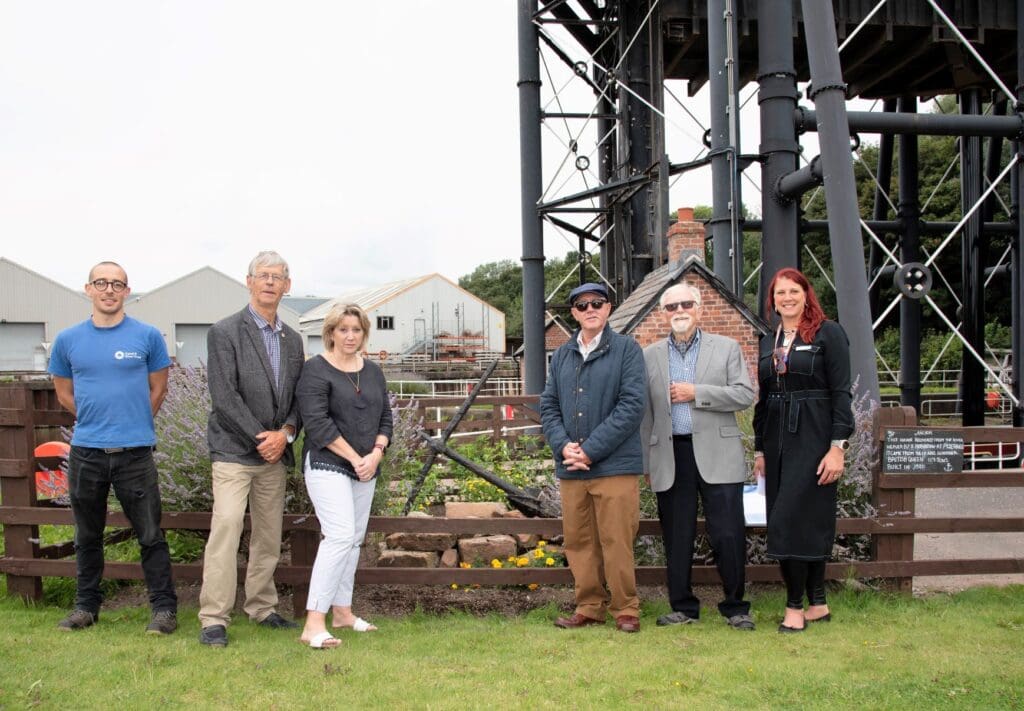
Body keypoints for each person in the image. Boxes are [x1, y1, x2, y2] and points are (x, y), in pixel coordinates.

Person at [49, 261, 177, 635]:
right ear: (88, 289)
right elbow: (64, 393)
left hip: (135, 454)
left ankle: (164, 610)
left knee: (151, 534)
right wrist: (95, 419)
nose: (109, 290)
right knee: (87, 535)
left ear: (127, 291)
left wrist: (133, 421)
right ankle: (86, 608)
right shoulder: (68, 340)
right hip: (86, 453)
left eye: (117, 284)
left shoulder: (148, 337)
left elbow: (159, 389)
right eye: (101, 283)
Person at [198, 251, 305, 647]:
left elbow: (299, 396)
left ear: (287, 286)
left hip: (275, 454)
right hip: (233, 451)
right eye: (263, 275)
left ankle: (262, 607)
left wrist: (287, 432)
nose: (270, 283)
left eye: (278, 277)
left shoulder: (293, 340)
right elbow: (224, 395)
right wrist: (263, 438)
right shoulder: (224, 332)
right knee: (226, 527)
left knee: (268, 536)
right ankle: (214, 618)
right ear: (249, 281)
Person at [640, 283, 756, 631]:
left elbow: (744, 394)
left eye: (686, 304)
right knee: (677, 535)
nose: (679, 310)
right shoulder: (649, 355)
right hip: (671, 454)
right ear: (663, 314)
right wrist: (647, 462)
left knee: (728, 535)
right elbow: (645, 413)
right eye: (671, 306)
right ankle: (683, 608)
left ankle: (736, 608)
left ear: (700, 308)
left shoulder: (727, 348)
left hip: (719, 454)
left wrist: (696, 393)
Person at [540, 282, 647, 633]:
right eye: (582, 305)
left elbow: (631, 407)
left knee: (616, 539)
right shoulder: (562, 355)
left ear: (609, 308)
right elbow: (549, 406)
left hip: (614, 466)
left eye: (597, 303)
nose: (590, 309)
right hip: (572, 468)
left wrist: (590, 449)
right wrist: (563, 445)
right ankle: (589, 606)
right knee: (579, 540)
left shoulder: (628, 350)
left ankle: (625, 608)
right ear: (573, 313)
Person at [752, 268, 854, 633]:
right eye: (780, 293)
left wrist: (837, 448)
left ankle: (794, 607)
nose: (787, 298)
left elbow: (842, 394)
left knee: (795, 520)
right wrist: (760, 449)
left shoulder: (829, 333)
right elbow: (763, 400)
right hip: (777, 438)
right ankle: (819, 603)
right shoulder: (768, 339)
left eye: (794, 291)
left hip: (814, 436)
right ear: (773, 300)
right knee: (794, 519)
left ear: (806, 294)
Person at [294, 304, 392, 649]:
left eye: (356, 330)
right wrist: (355, 458)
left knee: (352, 540)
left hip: (367, 466)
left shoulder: (374, 371)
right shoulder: (316, 371)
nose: (350, 336)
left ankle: (343, 613)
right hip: (328, 464)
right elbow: (318, 424)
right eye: (343, 329)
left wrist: (375, 454)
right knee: (337, 536)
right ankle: (313, 623)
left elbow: (386, 420)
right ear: (331, 333)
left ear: (364, 333)